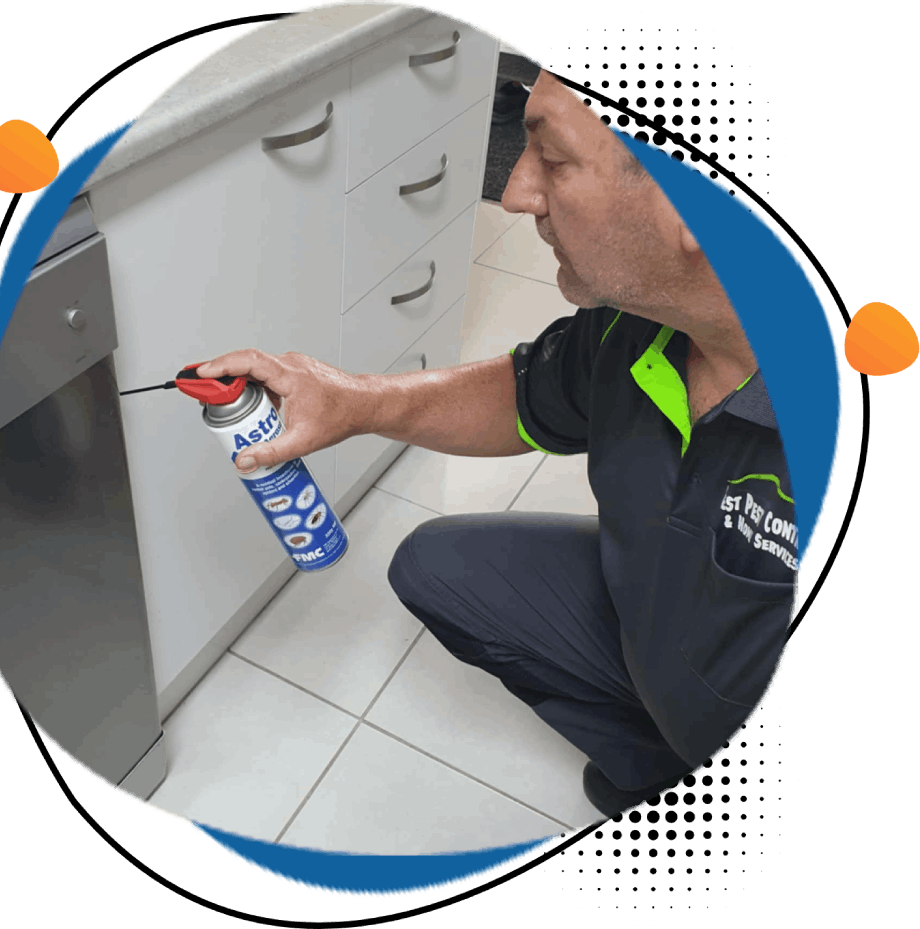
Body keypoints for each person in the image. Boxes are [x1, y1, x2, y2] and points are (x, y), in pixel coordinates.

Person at [195, 68, 799, 821]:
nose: (514, 193)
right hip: (662, 627)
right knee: (438, 568)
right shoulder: (634, 321)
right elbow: (522, 395)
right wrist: (354, 402)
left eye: (552, 157)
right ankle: (653, 761)